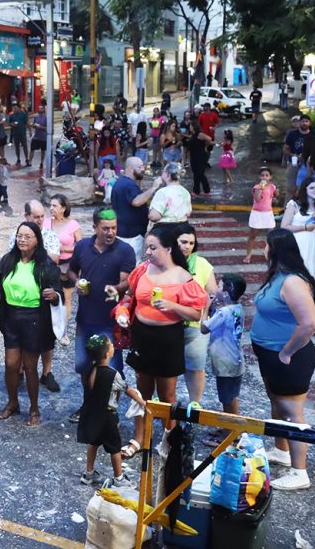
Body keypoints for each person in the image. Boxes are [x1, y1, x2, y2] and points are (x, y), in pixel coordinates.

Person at [115, 223, 207, 459]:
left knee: (167, 396)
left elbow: (196, 313)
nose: (148, 252)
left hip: (168, 339)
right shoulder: (143, 270)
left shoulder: (183, 277)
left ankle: (169, 439)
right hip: (142, 336)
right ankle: (140, 438)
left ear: (168, 249)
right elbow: (129, 296)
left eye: (152, 248)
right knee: (142, 392)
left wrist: (172, 305)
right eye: (147, 247)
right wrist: (123, 311)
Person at [251, 228, 315, 491]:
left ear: (274, 249)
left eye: (266, 245)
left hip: (289, 358)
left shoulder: (292, 282)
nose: (263, 249)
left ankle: (300, 472)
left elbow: (309, 323)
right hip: (270, 354)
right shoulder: (277, 276)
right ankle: (282, 450)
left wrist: (287, 352)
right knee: (277, 403)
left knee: (292, 413)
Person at [0, 221, 62, 427]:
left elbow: (58, 291)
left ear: (37, 240)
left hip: (34, 319)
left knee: (30, 366)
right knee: (11, 364)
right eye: (20, 236)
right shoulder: (9, 260)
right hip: (11, 318)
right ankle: (12, 403)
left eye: (28, 237)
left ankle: (34, 409)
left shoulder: (45, 263)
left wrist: (54, 295)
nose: (22, 240)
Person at [65, 207, 136, 424]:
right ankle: (89, 405)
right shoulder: (82, 246)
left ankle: (109, 412)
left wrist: (117, 288)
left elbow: (127, 281)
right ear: (95, 227)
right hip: (85, 320)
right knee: (83, 366)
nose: (110, 232)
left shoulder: (125, 250)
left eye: (114, 228)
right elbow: (71, 270)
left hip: (110, 323)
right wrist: (77, 282)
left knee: (112, 370)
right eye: (105, 228)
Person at [77, 335, 146, 488]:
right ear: (107, 353)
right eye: (111, 345)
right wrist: (143, 402)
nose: (113, 346)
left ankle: (89, 473)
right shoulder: (113, 374)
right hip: (107, 416)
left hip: (93, 414)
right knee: (115, 448)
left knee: (94, 443)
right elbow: (127, 389)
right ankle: (119, 478)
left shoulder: (89, 370)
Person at [7, 200, 62, 391]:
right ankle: (22, 369)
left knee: (47, 338)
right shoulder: (16, 236)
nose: (39, 220)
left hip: (43, 296)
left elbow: (53, 260)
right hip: (20, 298)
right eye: (35, 216)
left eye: (42, 216)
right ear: (26, 216)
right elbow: (11, 260)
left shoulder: (50, 235)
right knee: (23, 341)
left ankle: (46, 372)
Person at [176, 222, 217, 403]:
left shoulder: (202, 264)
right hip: (169, 325)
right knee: (165, 366)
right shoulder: (166, 262)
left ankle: (195, 404)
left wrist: (205, 315)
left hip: (196, 327)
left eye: (191, 243)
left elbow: (213, 294)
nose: (187, 247)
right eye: (184, 242)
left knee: (195, 368)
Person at [201, 274, 246, 424]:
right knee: (232, 397)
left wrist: (206, 307)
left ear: (226, 293)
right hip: (235, 359)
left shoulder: (223, 312)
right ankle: (232, 428)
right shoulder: (238, 308)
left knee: (226, 399)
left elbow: (204, 328)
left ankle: (231, 431)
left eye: (219, 286)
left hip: (225, 363)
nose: (216, 289)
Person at [44, 194, 82, 332]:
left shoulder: (73, 225)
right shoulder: (46, 222)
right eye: (50, 205)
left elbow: (80, 246)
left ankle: (62, 329)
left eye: (55, 206)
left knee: (66, 297)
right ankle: (49, 326)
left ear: (63, 208)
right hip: (49, 263)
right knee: (50, 294)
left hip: (67, 264)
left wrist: (64, 248)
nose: (51, 208)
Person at [112, 157, 162, 262]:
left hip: (125, 232)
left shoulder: (123, 182)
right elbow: (136, 201)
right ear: (131, 168)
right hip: (131, 235)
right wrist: (153, 187)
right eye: (140, 167)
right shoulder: (128, 184)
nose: (143, 169)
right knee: (132, 263)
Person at [281, 177, 315, 284]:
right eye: (312, 188)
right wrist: (304, 228)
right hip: (297, 242)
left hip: (313, 242)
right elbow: (284, 226)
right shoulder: (294, 204)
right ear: (305, 190)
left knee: (312, 271)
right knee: (298, 273)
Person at [245, 167, 277, 264]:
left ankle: (268, 253)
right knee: (253, 235)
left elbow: (275, 195)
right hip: (257, 214)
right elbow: (258, 199)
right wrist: (261, 189)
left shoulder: (272, 187)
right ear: (259, 177)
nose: (264, 177)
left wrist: (276, 194)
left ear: (270, 177)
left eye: (267, 175)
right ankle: (248, 254)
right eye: (262, 175)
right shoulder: (257, 187)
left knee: (271, 235)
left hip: (268, 213)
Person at [283, 115, 312, 197]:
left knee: (307, 187)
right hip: (294, 164)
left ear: (309, 123)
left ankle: (303, 204)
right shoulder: (292, 134)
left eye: (306, 121)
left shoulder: (313, 136)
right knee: (290, 188)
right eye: (302, 121)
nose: (304, 123)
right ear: (300, 123)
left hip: (308, 165)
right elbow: (285, 149)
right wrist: (294, 155)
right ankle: (288, 204)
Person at [28, 103, 47, 171]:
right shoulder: (36, 117)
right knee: (32, 149)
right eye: (39, 108)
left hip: (43, 137)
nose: (40, 109)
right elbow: (34, 125)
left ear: (43, 109)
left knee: (43, 150)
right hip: (36, 136)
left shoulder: (46, 118)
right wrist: (33, 125)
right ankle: (29, 162)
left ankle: (41, 162)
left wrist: (40, 126)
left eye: (41, 108)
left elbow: (47, 128)